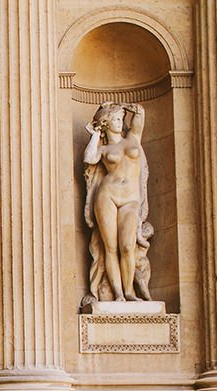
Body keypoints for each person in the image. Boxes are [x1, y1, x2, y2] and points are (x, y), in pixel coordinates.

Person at [83, 100, 152, 303]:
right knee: (110, 247)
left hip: (131, 198)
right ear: (105, 123)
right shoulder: (104, 149)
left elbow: (140, 112)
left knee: (127, 246)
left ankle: (129, 290)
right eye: (114, 119)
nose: (119, 122)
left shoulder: (133, 138)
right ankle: (119, 294)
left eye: (121, 118)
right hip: (107, 196)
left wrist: (122, 105)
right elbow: (89, 158)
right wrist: (95, 134)